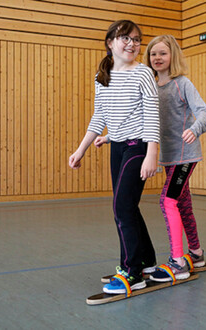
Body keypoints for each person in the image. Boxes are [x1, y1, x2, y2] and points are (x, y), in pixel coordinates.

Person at [69, 20, 160, 293]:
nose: (132, 44)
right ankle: (146, 262)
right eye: (125, 38)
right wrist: (81, 148)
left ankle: (132, 272)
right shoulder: (103, 75)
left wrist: (152, 154)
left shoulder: (144, 73)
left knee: (121, 208)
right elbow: (100, 115)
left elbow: (152, 117)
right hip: (117, 146)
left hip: (138, 147)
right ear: (110, 42)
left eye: (136, 40)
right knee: (128, 206)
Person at [143, 35, 206, 282]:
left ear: (173, 56)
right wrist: (109, 137)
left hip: (185, 156)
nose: (157, 58)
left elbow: (203, 111)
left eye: (162, 53)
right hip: (169, 158)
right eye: (153, 54)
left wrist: (195, 128)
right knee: (183, 204)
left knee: (167, 201)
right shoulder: (150, 86)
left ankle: (178, 261)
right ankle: (196, 253)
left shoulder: (182, 83)